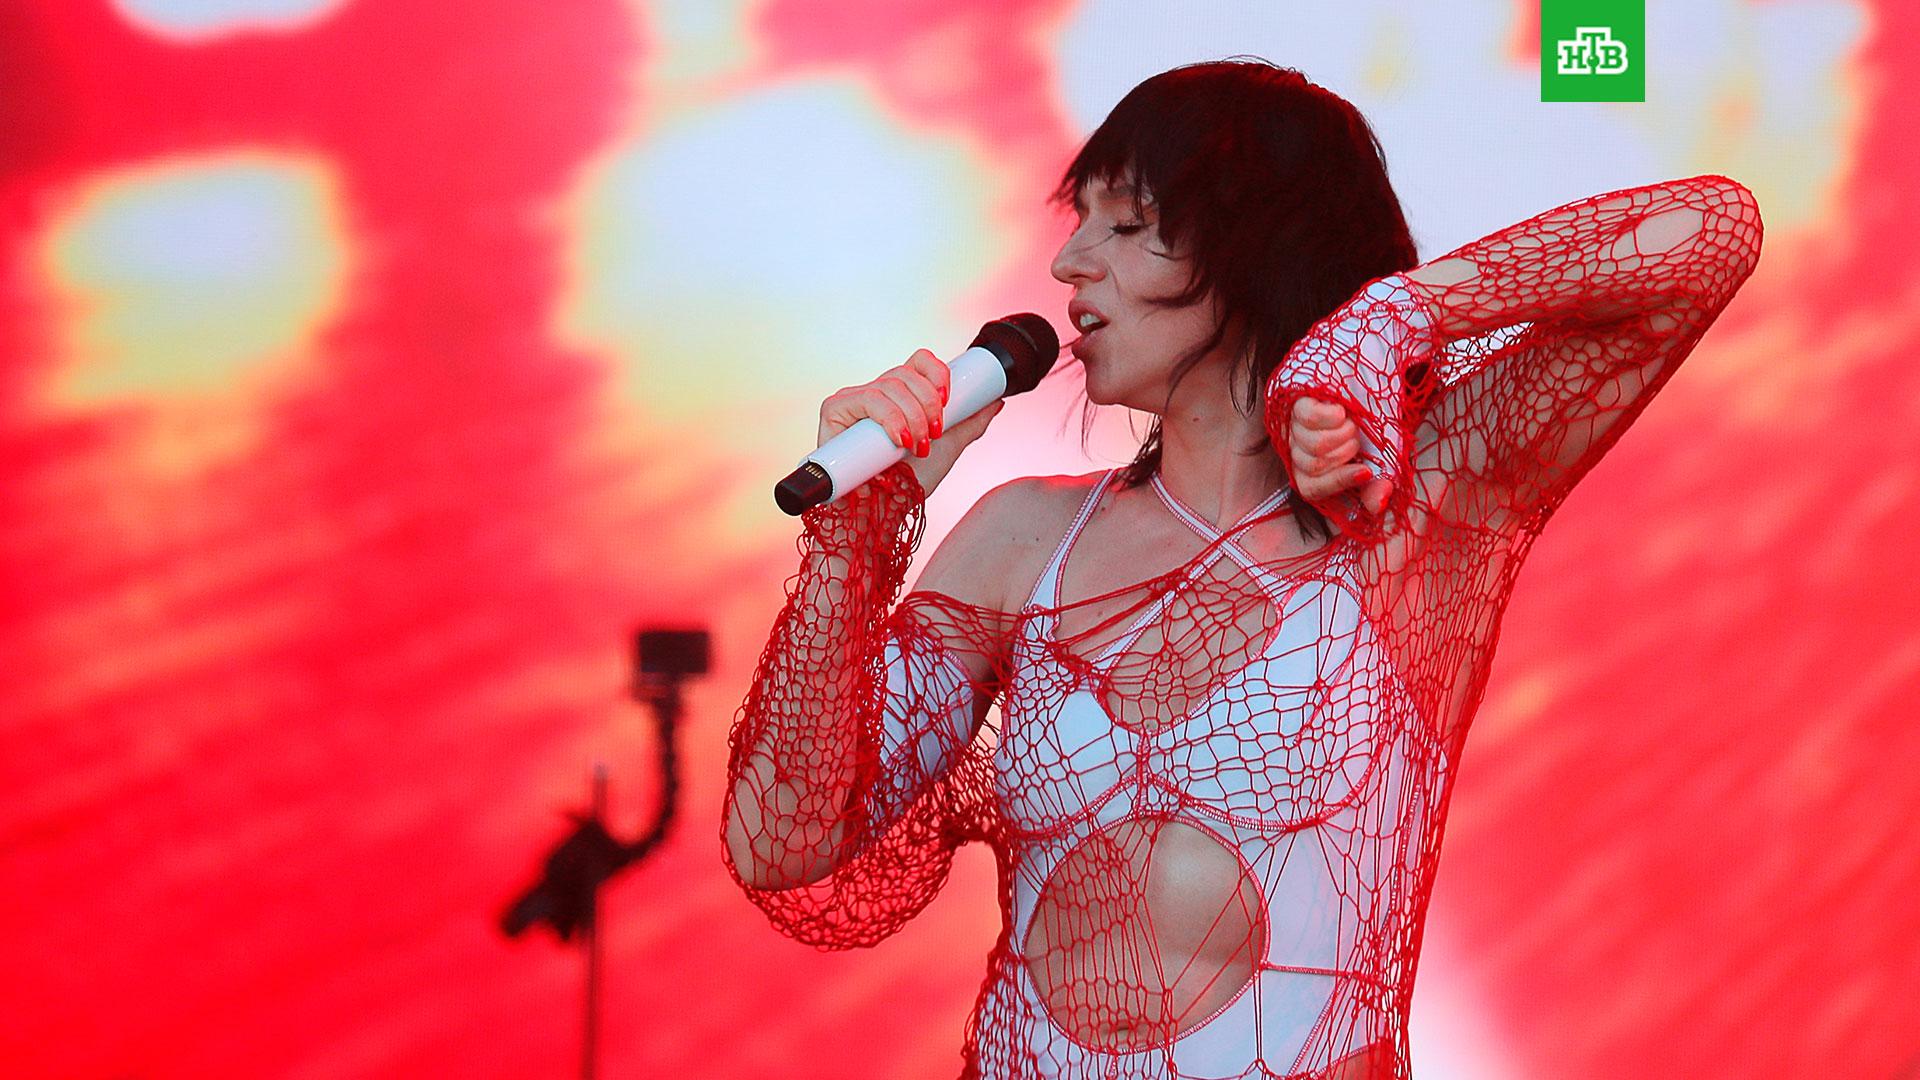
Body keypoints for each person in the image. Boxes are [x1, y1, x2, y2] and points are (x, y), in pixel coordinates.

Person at [722, 57, 1762, 1080]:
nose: (1071, 263)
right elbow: (781, 841)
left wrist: (1391, 315)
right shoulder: (1021, 537)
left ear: (1259, 241)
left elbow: (1709, 235)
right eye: (1081, 221)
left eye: (1126, 222)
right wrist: (853, 542)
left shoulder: (1419, 511)